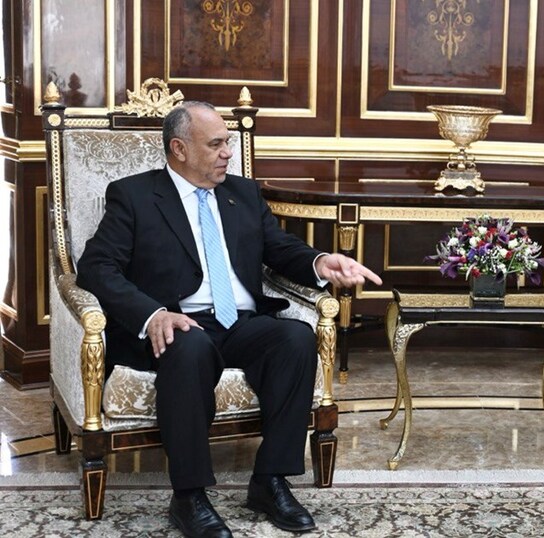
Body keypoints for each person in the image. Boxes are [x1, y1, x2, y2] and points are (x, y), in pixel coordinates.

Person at [76, 101, 383, 538]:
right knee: (190, 346)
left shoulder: (244, 193)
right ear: (179, 148)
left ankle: (269, 482)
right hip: (179, 324)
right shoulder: (134, 196)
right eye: (216, 144)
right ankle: (189, 497)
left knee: (295, 338)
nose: (227, 153)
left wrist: (320, 262)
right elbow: (96, 267)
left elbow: (279, 249)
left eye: (228, 143)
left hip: (239, 322)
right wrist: (153, 313)